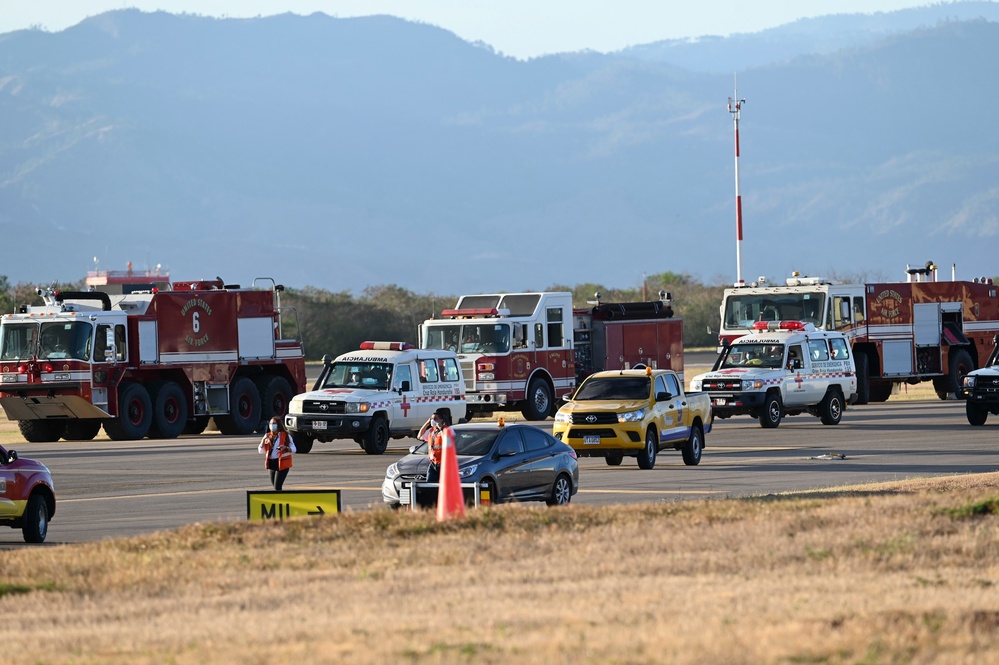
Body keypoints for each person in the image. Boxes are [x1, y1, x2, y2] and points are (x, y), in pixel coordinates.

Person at [258, 416, 296, 490]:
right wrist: (263, 440)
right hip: (272, 463)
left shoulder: (285, 435)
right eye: (271, 423)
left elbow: (294, 448)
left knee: (277, 487)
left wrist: (286, 448)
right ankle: (281, 499)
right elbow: (261, 451)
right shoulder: (268, 436)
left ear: (278, 425)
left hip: (282, 463)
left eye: (274, 423)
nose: (272, 425)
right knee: (275, 488)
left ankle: (281, 500)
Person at [417, 408, 451, 484]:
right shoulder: (431, 431)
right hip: (433, 462)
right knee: (430, 484)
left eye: (435, 419)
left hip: (444, 463)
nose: (433, 420)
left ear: (441, 420)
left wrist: (441, 429)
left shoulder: (447, 430)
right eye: (431, 419)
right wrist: (427, 423)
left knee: (444, 484)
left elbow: (447, 440)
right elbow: (419, 436)